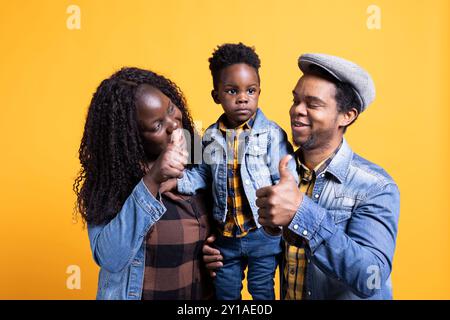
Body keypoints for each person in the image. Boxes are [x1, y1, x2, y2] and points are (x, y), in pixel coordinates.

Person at [203, 53, 400, 300]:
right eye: (296, 100)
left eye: (313, 104)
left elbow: (371, 278)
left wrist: (301, 213)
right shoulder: (271, 171)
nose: (297, 111)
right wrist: (219, 245)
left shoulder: (375, 187)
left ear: (347, 115)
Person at [73, 67, 214, 300]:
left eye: (170, 109)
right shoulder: (110, 182)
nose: (174, 125)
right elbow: (110, 258)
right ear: (130, 136)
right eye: (157, 125)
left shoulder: (198, 160)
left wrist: (216, 251)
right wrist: (153, 179)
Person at [174, 43, 298, 300]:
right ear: (216, 95)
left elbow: (285, 178)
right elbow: (201, 175)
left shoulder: (272, 134)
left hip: (262, 235)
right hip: (226, 237)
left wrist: (279, 216)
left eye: (250, 91)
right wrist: (175, 180)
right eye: (232, 91)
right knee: (226, 293)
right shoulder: (209, 136)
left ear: (259, 92)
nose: (243, 98)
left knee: (261, 290)